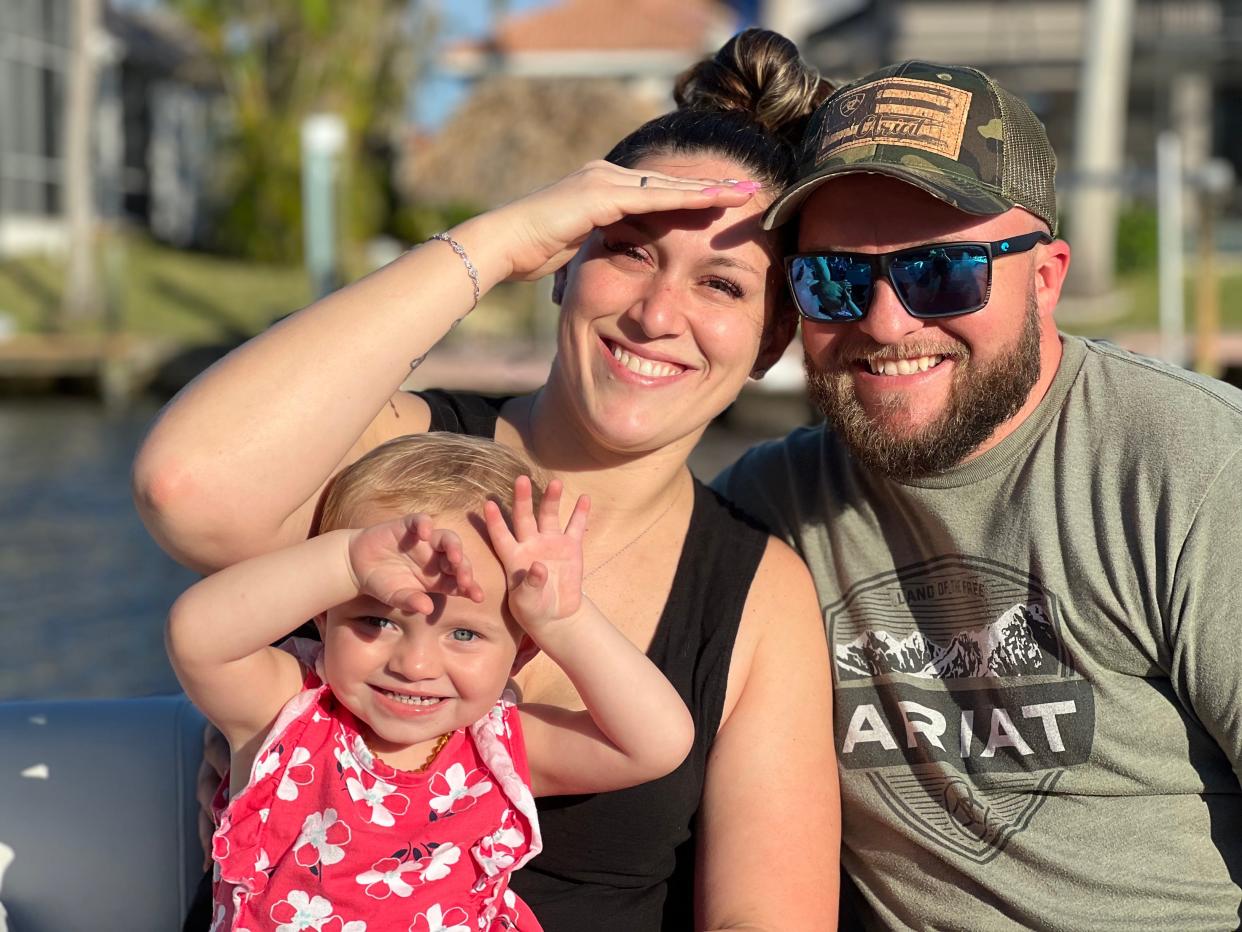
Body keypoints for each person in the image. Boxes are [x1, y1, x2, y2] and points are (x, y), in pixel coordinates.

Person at [134, 28, 840, 932]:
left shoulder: (755, 595)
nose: (660, 313)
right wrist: (499, 242)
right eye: (626, 250)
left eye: (724, 286)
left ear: (770, 342)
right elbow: (186, 487)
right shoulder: (393, 460)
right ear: (564, 267)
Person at [715, 59, 1242, 929]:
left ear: (1047, 277)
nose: (885, 323)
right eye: (835, 278)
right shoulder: (772, 508)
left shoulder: (1192, 465)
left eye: (943, 273)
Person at [169, 433, 694, 930]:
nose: (415, 665)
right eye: (379, 621)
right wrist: (345, 562)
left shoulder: (497, 747)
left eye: (464, 633)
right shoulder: (289, 709)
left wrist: (563, 621)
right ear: (324, 617)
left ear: (522, 651)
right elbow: (196, 638)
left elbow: (657, 744)